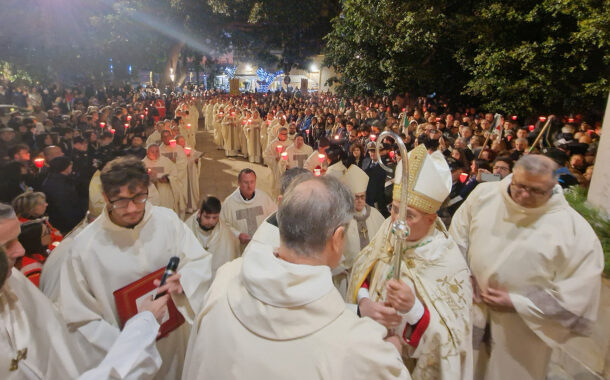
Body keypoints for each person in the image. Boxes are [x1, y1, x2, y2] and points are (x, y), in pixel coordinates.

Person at [182, 176, 411, 380]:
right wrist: (394, 356)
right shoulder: (361, 347)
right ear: (337, 238)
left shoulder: (226, 279)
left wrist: (357, 309)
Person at [56, 157, 213, 380]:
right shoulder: (84, 248)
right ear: (105, 198)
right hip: (126, 352)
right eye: (120, 201)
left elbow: (198, 260)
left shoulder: (167, 220)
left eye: (139, 198)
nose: (131, 208)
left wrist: (185, 280)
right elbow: (78, 316)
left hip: (175, 340)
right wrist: (134, 334)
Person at [449, 154, 604, 380]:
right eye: (519, 185)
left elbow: (580, 292)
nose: (523, 194)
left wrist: (519, 303)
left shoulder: (573, 230)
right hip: (472, 308)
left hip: (523, 331)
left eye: (536, 190)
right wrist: (465, 274)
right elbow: (458, 237)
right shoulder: (485, 196)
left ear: (553, 186)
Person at [0, 203, 168, 379]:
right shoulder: (71, 253)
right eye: (7, 245)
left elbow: (62, 338)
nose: (21, 250)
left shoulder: (11, 280)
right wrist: (142, 328)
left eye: (18, 239)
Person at [348, 145, 473, 379]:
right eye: (395, 209)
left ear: (431, 218)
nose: (398, 221)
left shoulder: (447, 259)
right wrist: (364, 302)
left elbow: (454, 342)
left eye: (410, 215)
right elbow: (365, 268)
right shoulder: (388, 228)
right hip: (370, 348)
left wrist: (414, 310)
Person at [221, 168, 277, 249]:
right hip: (241, 247)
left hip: (262, 244)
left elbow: (274, 216)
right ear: (239, 183)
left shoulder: (263, 198)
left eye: (252, 182)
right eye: (246, 182)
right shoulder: (230, 203)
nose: (249, 186)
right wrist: (238, 234)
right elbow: (223, 225)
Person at [185, 196, 239, 279]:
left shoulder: (226, 234)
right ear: (199, 213)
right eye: (207, 217)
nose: (211, 221)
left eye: (214, 218)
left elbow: (230, 263)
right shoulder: (187, 228)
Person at [41, 156, 87, 234]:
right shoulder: (58, 185)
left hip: (64, 221)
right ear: (65, 167)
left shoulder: (58, 179)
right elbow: (64, 207)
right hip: (67, 224)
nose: (71, 167)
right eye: (70, 165)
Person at [142, 144, 182, 214]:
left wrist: (168, 179)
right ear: (147, 152)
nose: (155, 153)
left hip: (165, 192)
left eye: (157, 151)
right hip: (150, 195)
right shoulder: (142, 164)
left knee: (166, 213)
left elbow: (175, 175)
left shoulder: (166, 161)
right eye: (152, 152)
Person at [263, 126, 292, 197]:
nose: (285, 136)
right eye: (283, 134)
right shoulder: (273, 144)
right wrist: (274, 158)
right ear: (278, 134)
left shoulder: (290, 143)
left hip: (287, 169)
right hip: (276, 169)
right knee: (277, 188)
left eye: (286, 134)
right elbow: (266, 156)